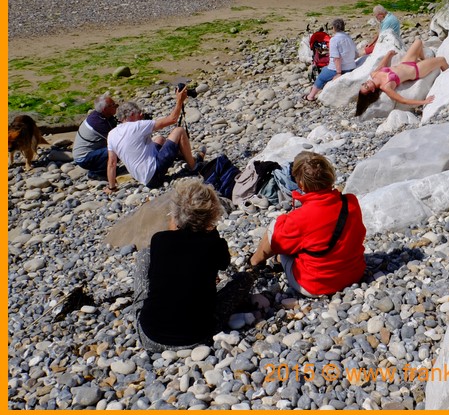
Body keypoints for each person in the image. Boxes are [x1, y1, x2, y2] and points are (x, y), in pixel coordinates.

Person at [133, 178, 253, 352]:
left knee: (145, 255)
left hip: (150, 336)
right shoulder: (215, 245)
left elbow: (176, 250)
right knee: (244, 278)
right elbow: (224, 263)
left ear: (176, 213)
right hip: (198, 336)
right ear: (212, 215)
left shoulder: (159, 240)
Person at [250, 151, 366, 297]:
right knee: (310, 238)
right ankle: (277, 260)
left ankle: (254, 263)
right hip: (355, 273)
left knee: (275, 227)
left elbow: (277, 244)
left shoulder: (300, 218)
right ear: (330, 175)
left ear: (301, 184)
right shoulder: (350, 202)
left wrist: (285, 221)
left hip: (315, 285)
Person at [105, 87, 203, 192]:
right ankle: (194, 166)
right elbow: (173, 119)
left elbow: (112, 163)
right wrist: (179, 100)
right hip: (154, 176)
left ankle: (182, 155)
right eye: (139, 114)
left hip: (142, 178)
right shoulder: (137, 126)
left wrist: (112, 187)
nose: (141, 116)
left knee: (159, 139)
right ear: (132, 115)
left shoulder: (111, 134)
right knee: (179, 131)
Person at [355, 38, 449, 117]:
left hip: (406, 62)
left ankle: (424, 60)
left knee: (418, 41)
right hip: (416, 70)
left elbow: (382, 65)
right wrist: (423, 102)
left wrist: (388, 55)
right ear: (372, 90)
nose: (366, 83)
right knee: (442, 60)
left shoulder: (374, 74)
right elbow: (403, 100)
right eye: (366, 86)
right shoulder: (386, 87)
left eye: (364, 84)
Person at [303, 18, 358, 102]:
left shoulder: (334, 40)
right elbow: (355, 53)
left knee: (321, 77)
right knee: (325, 69)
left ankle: (311, 96)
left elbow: (336, 58)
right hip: (351, 66)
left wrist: (339, 73)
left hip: (340, 69)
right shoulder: (348, 38)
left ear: (334, 28)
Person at [73, 93, 118, 179]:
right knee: (116, 148)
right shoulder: (98, 123)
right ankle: (97, 172)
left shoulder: (101, 115)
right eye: (113, 105)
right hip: (84, 158)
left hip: (91, 151)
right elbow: (116, 139)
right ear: (105, 109)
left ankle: (104, 167)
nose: (116, 106)